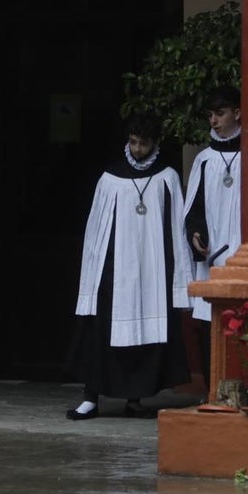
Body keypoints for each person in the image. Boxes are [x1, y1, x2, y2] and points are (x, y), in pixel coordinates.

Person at [65, 112, 193, 420]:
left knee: (147, 332)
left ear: (155, 144)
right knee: (102, 331)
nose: (137, 149)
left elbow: (177, 226)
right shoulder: (110, 178)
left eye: (143, 143)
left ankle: (136, 399)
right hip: (115, 267)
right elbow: (96, 228)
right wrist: (95, 271)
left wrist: (179, 274)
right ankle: (91, 397)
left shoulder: (167, 177)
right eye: (133, 142)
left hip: (152, 268)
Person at [183, 86, 242, 388]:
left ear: (237, 113)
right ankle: (210, 390)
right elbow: (193, 208)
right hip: (212, 254)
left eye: (220, 113)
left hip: (245, 253)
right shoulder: (204, 159)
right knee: (208, 323)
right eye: (210, 115)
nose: (214, 121)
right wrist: (196, 236)